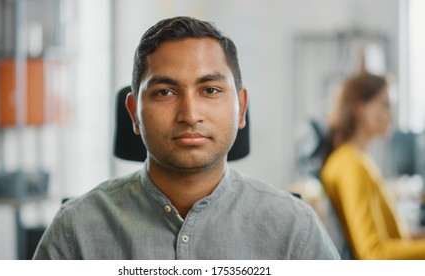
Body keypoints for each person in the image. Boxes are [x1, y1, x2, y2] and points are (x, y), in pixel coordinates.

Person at [33, 16, 339, 260]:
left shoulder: (294, 229)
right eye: (164, 92)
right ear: (133, 114)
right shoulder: (77, 230)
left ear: (241, 107)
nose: (190, 114)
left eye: (210, 90)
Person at [320, 73, 425, 259]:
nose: (391, 117)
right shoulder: (351, 166)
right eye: (385, 106)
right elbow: (374, 254)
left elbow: (391, 238)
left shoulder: (352, 160)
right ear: (360, 108)